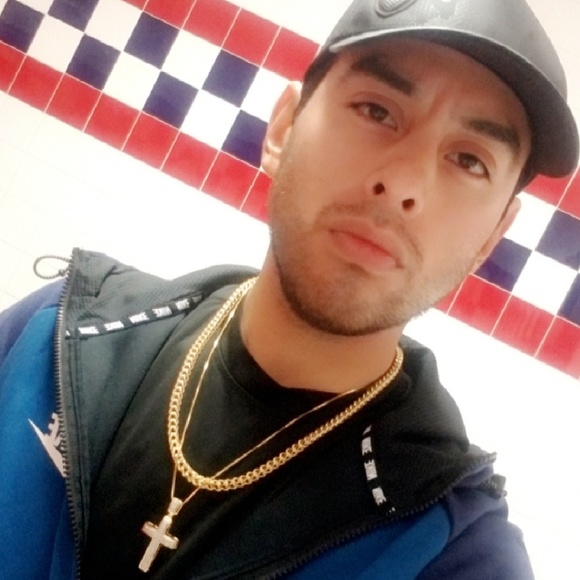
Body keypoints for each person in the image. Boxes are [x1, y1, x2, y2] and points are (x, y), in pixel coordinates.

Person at [1, 0, 578, 578]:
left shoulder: (454, 555)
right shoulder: (56, 336)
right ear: (283, 130)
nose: (404, 183)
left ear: (490, 239)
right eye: (377, 110)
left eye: (469, 161)